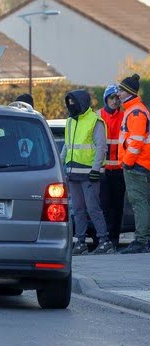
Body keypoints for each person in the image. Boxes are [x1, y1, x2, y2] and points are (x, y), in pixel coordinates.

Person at [61, 90, 114, 255]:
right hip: (73, 173)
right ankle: (80, 242)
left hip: (89, 174)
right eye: (69, 103)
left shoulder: (95, 121)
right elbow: (67, 145)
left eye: (73, 102)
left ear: (82, 102)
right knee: (77, 209)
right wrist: (59, 163)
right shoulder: (70, 121)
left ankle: (105, 241)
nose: (71, 106)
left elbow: (101, 148)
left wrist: (96, 169)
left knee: (93, 208)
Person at [116, 74, 150, 254]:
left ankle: (141, 240)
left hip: (137, 166)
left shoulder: (135, 112)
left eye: (121, 90)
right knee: (142, 202)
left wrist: (127, 163)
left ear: (129, 92)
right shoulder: (135, 110)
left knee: (139, 203)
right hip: (140, 164)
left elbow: (136, 142)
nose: (118, 93)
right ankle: (145, 239)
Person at [98, 84, 126, 246]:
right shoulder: (98, 116)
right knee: (104, 207)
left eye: (117, 98)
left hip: (119, 169)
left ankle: (113, 240)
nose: (115, 101)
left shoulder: (123, 116)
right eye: (111, 98)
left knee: (117, 207)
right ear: (106, 99)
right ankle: (104, 238)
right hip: (102, 170)